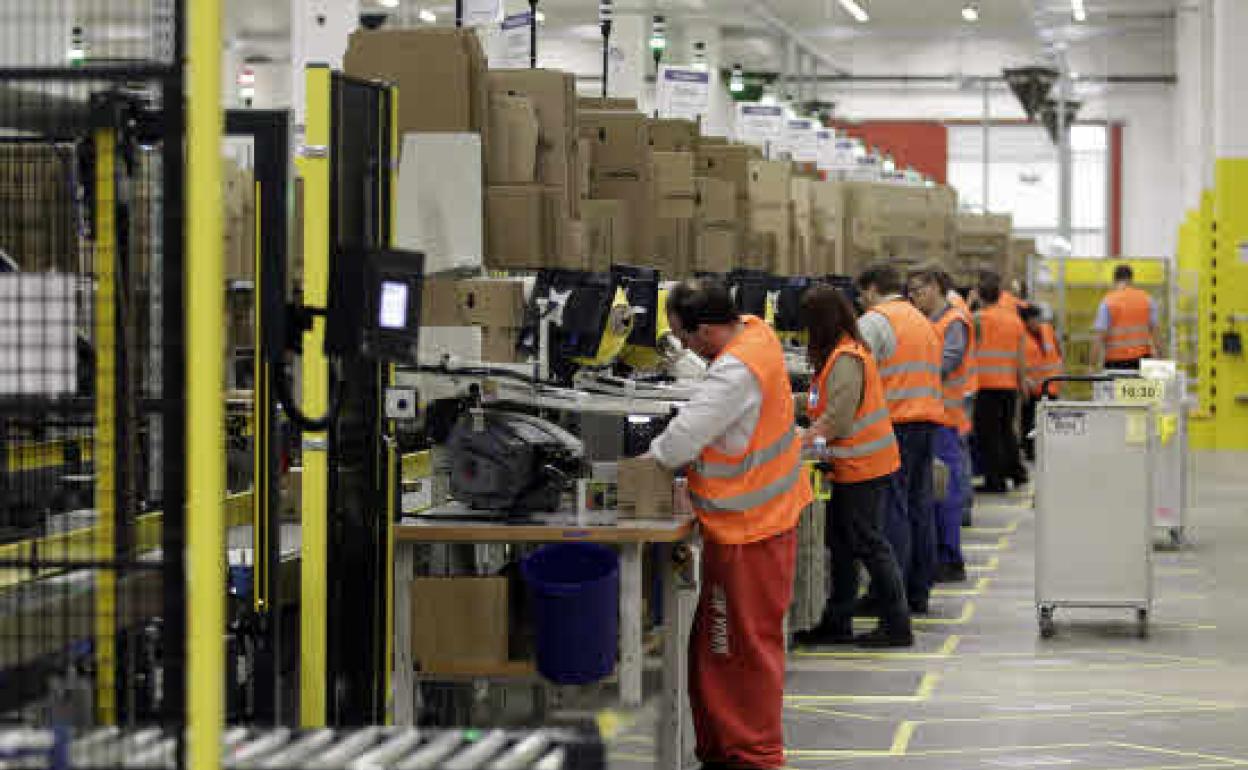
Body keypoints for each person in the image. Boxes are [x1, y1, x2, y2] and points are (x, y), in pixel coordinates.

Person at [648, 279, 811, 770]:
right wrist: (683, 362)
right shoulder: (755, 335)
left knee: (737, 650)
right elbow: (721, 385)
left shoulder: (736, 370)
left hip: (749, 530)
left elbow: (674, 447)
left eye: (686, 336)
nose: (687, 346)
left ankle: (753, 756)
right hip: (761, 522)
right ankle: (726, 750)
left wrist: (637, 466)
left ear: (705, 330)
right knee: (719, 650)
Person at [794, 287, 912, 649]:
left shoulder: (846, 357)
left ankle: (897, 624)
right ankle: (837, 619)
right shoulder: (836, 356)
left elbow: (837, 420)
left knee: (868, 543)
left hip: (864, 464)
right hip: (851, 464)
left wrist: (797, 442)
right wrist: (784, 402)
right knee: (842, 543)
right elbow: (820, 401)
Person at [856, 263, 943, 614]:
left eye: (862, 295)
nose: (861, 302)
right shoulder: (922, 319)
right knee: (920, 507)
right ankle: (918, 590)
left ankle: (891, 595)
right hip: (925, 420)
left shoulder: (875, 322)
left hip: (894, 422)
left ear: (873, 289)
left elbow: (855, 375)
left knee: (892, 508)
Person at [907, 266, 972, 584]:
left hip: (946, 419)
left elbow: (946, 363)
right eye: (910, 292)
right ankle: (936, 555)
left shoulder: (953, 321)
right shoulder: (928, 322)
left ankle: (950, 558)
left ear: (935, 287)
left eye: (918, 290)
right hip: (930, 416)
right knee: (931, 491)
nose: (914, 297)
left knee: (945, 491)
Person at [972, 272, 1029, 494]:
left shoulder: (977, 319)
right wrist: (1022, 383)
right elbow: (1020, 357)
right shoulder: (1014, 321)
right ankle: (1017, 473)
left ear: (980, 296)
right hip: (1008, 385)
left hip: (985, 385)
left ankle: (995, 480)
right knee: (1006, 431)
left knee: (988, 435)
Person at [1092, 264, 1161, 371]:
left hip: (1116, 362)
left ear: (1115, 281)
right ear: (1131, 280)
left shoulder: (1107, 302)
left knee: (1117, 388)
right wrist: (1161, 360)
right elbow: (1156, 335)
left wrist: (1092, 364)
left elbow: (1099, 337)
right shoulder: (1147, 299)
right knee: (1141, 387)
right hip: (1143, 360)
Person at [1020, 305, 1064, 461]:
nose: (1038, 321)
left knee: (1051, 421)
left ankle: (1051, 451)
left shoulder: (1047, 330)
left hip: (1051, 386)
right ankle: (1031, 453)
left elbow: (1057, 353)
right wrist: (1024, 382)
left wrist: (1060, 374)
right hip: (1031, 388)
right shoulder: (1020, 336)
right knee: (1029, 423)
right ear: (1026, 321)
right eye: (1035, 319)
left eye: (1039, 318)